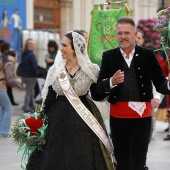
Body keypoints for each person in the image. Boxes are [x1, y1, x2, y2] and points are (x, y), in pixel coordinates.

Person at [26, 31, 114, 170]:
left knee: (82, 152)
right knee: (56, 154)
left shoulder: (91, 69)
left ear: (75, 48)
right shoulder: (55, 70)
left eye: (64, 45)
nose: (60, 48)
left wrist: (110, 83)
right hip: (57, 119)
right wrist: (39, 117)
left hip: (83, 119)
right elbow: (49, 96)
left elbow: (97, 95)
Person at [95, 16, 170, 170]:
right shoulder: (109, 56)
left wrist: (168, 84)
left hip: (142, 118)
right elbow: (97, 91)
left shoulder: (148, 55)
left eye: (127, 33)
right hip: (118, 118)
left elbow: (160, 84)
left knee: (138, 162)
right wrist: (111, 82)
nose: (123, 37)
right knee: (121, 162)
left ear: (135, 34)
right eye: (119, 33)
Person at [0, 51, 21, 137]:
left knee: (4, 108)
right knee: (9, 108)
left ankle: (2, 130)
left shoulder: (4, 62)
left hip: (1, 87)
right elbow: (10, 79)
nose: (17, 59)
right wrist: (17, 83)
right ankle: (4, 132)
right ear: (12, 57)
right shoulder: (9, 64)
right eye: (16, 56)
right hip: (1, 88)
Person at [21, 39, 38, 112]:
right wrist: (37, 73)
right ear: (31, 46)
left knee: (31, 91)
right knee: (29, 92)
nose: (35, 46)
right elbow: (34, 66)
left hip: (25, 75)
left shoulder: (24, 54)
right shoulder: (31, 55)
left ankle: (32, 105)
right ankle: (26, 107)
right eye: (34, 45)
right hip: (31, 76)